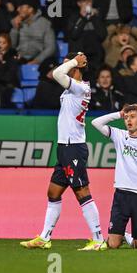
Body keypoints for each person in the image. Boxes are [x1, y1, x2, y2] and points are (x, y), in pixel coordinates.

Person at [20, 52, 107, 251]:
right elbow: (57, 74)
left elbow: (56, 74)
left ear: (76, 67)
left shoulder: (80, 87)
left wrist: (74, 61)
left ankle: (98, 239)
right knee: (53, 192)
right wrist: (73, 62)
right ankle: (44, 238)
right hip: (64, 147)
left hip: (73, 147)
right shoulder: (73, 88)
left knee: (81, 191)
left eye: (68, 64)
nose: (64, 67)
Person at [91, 104, 137, 249]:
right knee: (113, 245)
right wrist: (118, 114)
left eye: (133, 117)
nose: (129, 120)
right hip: (121, 195)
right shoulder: (119, 135)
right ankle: (118, 236)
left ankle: (126, 236)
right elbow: (95, 123)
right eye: (127, 117)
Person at [10, 0, 56, 65]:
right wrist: (15, 28)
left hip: (39, 60)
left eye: (21, 7)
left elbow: (51, 47)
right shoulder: (16, 22)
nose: (18, 9)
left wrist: (37, 60)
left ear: (30, 9)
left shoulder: (45, 24)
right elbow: (11, 46)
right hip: (18, 59)